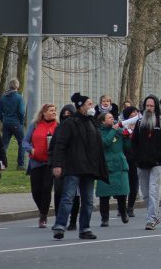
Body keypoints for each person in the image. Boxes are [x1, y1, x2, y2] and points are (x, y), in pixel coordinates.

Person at [50, 92, 109, 240]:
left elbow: (98, 146)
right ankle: (60, 226)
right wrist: (57, 164)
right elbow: (60, 145)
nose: (92, 106)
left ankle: (85, 228)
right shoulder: (70, 123)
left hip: (89, 168)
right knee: (68, 197)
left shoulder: (92, 122)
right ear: (80, 106)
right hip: (74, 167)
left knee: (88, 200)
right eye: (89, 104)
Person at [132, 95, 161, 230]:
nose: (149, 108)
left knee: (154, 190)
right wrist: (136, 157)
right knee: (145, 193)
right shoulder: (139, 123)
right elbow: (134, 143)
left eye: (151, 106)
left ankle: (151, 219)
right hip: (142, 163)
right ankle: (153, 213)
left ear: (156, 107)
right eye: (147, 106)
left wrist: (160, 156)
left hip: (157, 163)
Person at [23, 104, 58, 228]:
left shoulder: (57, 126)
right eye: (51, 110)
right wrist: (30, 149)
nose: (54, 112)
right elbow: (25, 141)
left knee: (46, 189)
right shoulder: (35, 125)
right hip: (36, 162)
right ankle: (42, 209)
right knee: (36, 190)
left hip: (50, 163)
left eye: (55, 110)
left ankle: (43, 215)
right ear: (43, 113)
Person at [96, 111, 130, 226]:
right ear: (102, 121)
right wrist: (114, 130)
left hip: (120, 165)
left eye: (112, 117)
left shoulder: (118, 131)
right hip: (106, 166)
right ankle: (104, 219)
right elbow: (105, 143)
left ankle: (123, 212)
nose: (112, 119)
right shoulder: (99, 132)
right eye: (109, 118)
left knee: (122, 193)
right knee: (104, 195)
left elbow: (128, 148)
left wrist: (128, 137)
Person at [0, 78, 26, 170]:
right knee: (22, 142)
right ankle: (20, 164)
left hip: (6, 123)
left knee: (4, 144)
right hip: (16, 123)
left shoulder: (3, 97)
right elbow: (21, 112)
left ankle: (1, 164)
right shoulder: (19, 98)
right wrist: (21, 122)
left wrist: (4, 120)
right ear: (17, 86)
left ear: (9, 86)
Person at [120, 106, 140, 216]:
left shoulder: (140, 127)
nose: (135, 114)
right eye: (133, 112)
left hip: (135, 161)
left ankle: (130, 207)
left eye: (136, 111)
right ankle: (122, 207)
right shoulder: (123, 128)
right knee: (124, 185)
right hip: (124, 159)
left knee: (134, 185)